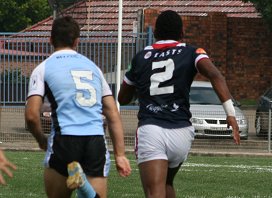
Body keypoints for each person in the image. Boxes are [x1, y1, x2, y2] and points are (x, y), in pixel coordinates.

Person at [118, 10, 240, 198]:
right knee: (167, 182)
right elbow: (216, 75)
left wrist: (141, 86)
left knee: (154, 192)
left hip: (152, 129)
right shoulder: (192, 52)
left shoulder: (141, 57)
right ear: (182, 33)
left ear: (156, 33)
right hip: (182, 132)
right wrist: (230, 114)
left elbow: (122, 98)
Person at [25, 16, 131, 198]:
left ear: (50, 40)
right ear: (77, 41)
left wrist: (41, 140)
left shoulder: (43, 68)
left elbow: (32, 116)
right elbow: (112, 113)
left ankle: (83, 185)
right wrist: (120, 154)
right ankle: (86, 190)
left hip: (64, 140)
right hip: (95, 141)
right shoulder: (94, 68)